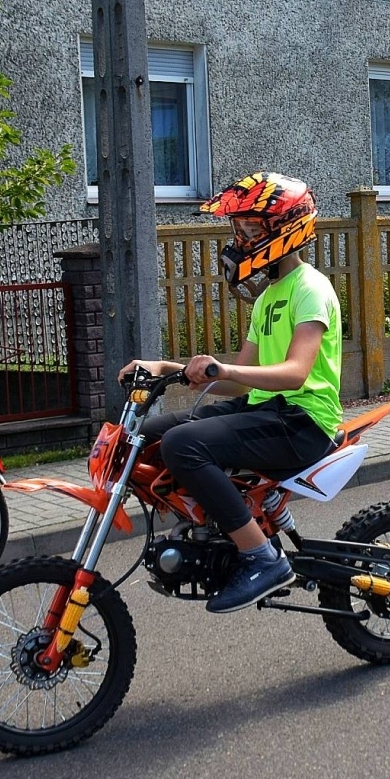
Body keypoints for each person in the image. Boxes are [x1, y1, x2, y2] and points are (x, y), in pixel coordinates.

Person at [119, 172, 341, 614]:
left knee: (183, 444)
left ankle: (261, 558)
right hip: (266, 409)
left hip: (302, 421)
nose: (241, 241)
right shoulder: (268, 296)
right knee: (148, 436)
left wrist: (223, 368)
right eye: (238, 230)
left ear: (287, 230)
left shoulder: (310, 288)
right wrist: (167, 369)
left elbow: (295, 373)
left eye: (252, 230)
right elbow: (238, 381)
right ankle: (210, 529)